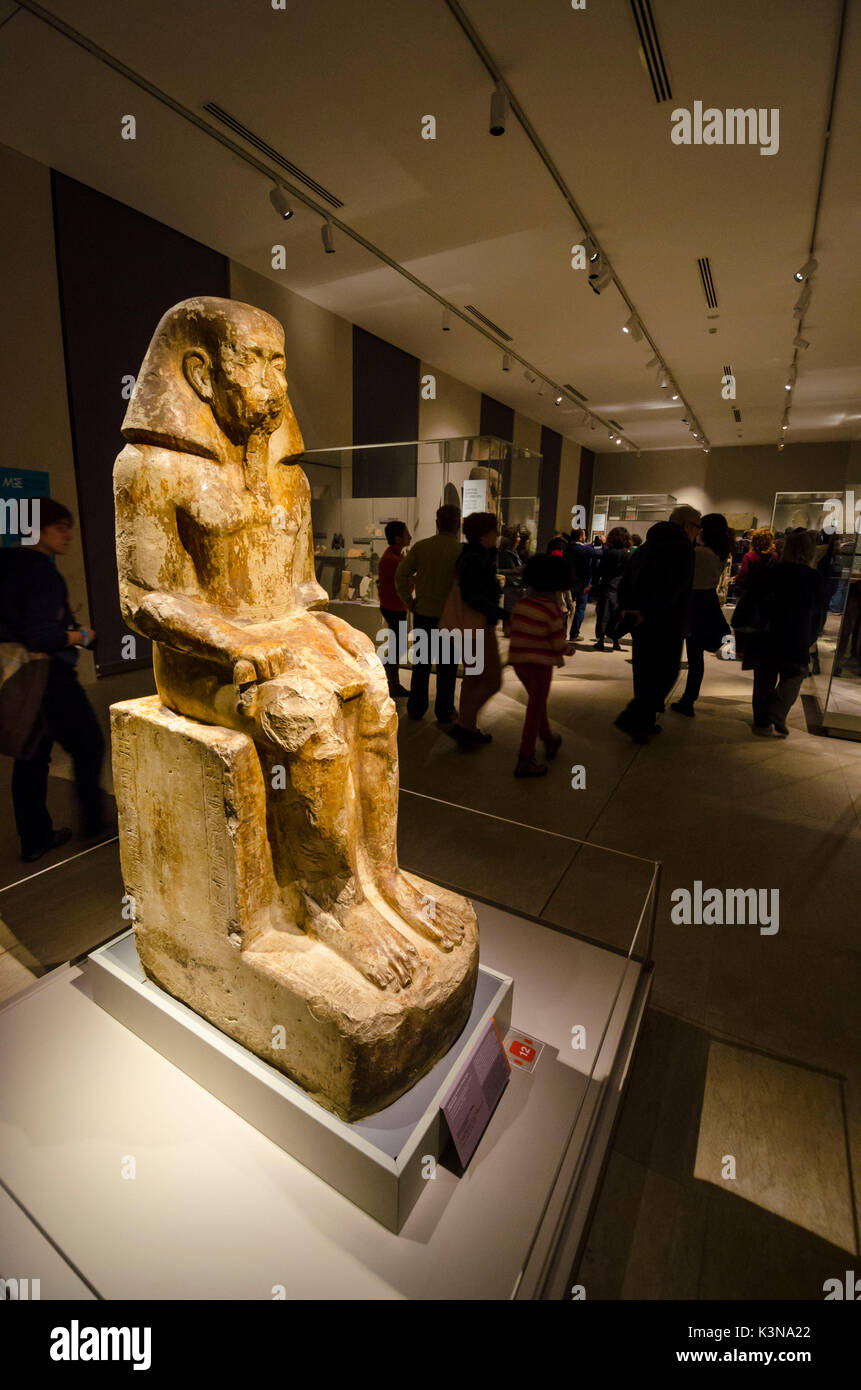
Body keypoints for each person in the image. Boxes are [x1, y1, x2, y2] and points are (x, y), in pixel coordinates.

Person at [0, 497, 105, 861]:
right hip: (51, 679)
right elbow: (43, 635)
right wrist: (81, 637)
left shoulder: (6, 563)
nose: (68, 536)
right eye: (60, 527)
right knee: (89, 746)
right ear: (35, 529)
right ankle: (95, 825)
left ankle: (35, 838)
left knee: (31, 758)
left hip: (20, 679)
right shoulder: (41, 571)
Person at [613, 504, 701, 743]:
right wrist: (647, 611)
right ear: (685, 525)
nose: (698, 532)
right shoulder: (684, 549)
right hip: (667, 622)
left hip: (641, 622)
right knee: (666, 673)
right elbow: (674, 588)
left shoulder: (647, 546)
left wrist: (628, 609)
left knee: (643, 672)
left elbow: (626, 579)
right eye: (696, 526)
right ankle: (635, 718)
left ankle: (644, 722)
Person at [742, 529, 823, 736]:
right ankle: (778, 710)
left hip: (767, 634)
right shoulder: (813, 578)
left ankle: (761, 723)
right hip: (796, 636)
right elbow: (818, 613)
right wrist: (811, 637)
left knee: (764, 680)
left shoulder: (771, 572)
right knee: (796, 673)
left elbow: (751, 601)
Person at [395, 504, 461, 724]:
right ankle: (444, 710)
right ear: (458, 524)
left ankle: (416, 707)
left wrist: (409, 601)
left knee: (421, 666)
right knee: (447, 668)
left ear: (437, 523)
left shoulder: (422, 547)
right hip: (450, 618)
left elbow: (401, 574)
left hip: (423, 614)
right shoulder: (461, 551)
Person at [444, 511, 504, 749]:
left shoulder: (468, 555)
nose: (497, 535)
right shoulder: (478, 558)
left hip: (467, 628)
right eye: (494, 531)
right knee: (492, 680)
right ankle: (465, 726)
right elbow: (473, 597)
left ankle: (467, 729)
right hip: (478, 627)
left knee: (472, 679)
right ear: (484, 534)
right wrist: (503, 614)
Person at [508, 554, 568, 777]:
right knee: (534, 708)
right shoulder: (551, 609)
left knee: (536, 703)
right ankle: (525, 758)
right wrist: (568, 649)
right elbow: (557, 642)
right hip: (541, 665)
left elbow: (511, 629)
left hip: (519, 662)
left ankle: (549, 739)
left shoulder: (522, 603)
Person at [670, 513, 731, 716]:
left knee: (682, 654)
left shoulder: (699, 553)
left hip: (691, 602)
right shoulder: (720, 552)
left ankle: (685, 699)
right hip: (706, 602)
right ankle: (689, 698)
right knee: (696, 658)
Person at [377, 519, 411, 698]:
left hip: (393, 606)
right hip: (394, 607)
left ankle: (390, 680)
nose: (410, 536)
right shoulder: (393, 559)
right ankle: (391, 683)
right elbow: (402, 586)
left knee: (397, 646)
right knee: (398, 647)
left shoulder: (395, 556)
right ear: (398, 538)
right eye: (406, 533)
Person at [592, 526, 631, 651]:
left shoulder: (608, 552)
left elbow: (600, 570)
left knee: (604, 614)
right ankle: (615, 641)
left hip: (607, 586)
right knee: (617, 616)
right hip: (621, 588)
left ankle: (601, 641)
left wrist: (594, 584)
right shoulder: (628, 554)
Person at [564, 527, 602, 640]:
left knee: (565, 608)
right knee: (581, 608)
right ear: (580, 537)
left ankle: (561, 633)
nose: (585, 537)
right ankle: (574, 634)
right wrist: (602, 544)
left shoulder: (568, 548)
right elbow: (600, 554)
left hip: (569, 581)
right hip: (583, 583)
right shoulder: (584, 550)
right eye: (584, 535)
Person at [498, 526, 524, 636]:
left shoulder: (514, 552)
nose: (520, 539)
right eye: (517, 536)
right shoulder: (506, 553)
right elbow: (513, 571)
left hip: (516, 587)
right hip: (511, 586)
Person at [735, 527, 777, 594]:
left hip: (751, 593)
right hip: (768, 593)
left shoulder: (749, 556)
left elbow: (743, 576)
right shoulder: (775, 556)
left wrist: (736, 578)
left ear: (755, 541)